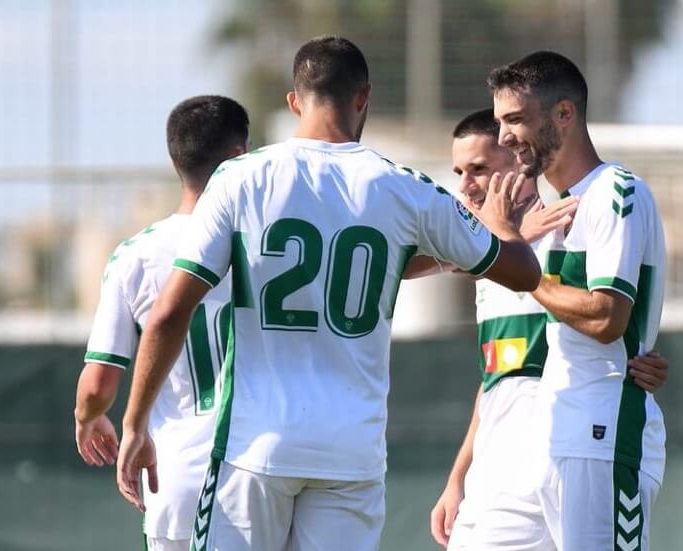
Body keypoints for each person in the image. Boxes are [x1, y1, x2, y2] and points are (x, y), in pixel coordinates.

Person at [115, 36, 541, 551]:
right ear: (364, 97)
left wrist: (136, 423)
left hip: (256, 450)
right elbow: (518, 272)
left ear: (295, 102)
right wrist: (503, 228)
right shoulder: (402, 187)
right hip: (350, 454)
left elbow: (167, 315)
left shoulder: (241, 178)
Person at [426, 109, 670, 550]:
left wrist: (640, 363)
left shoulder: (572, 228)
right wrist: (458, 476)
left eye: (479, 169)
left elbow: (608, 319)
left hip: (570, 454)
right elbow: (497, 377)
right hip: (496, 477)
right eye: (459, 171)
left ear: (521, 160)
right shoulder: (485, 258)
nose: (465, 185)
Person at [73, 95, 250, 551]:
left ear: (176, 161)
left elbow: (97, 385)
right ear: (239, 157)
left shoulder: (136, 255)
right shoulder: (269, 242)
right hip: (265, 474)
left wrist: (88, 418)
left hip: (177, 481)